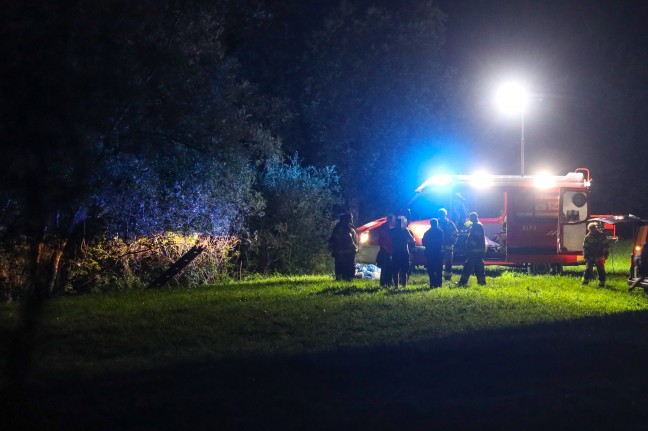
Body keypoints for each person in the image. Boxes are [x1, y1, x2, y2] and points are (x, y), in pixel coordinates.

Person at [457, 212, 486, 286]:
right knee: (479, 267)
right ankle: (481, 282)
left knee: (468, 266)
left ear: (474, 217)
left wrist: (469, 245)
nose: (470, 219)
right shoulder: (477, 225)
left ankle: (463, 282)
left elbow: (475, 238)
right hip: (478, 250)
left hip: (474, 250)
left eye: (471, 218)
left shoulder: (477, 226)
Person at [328, 213, 358, 281]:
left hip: (338, 251)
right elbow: (348, 238)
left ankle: (339, 278)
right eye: (350, 218)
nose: (351, 219)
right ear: (347, 219)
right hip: (348, 251)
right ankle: (348, 279)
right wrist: (354, 248)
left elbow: (333, 239)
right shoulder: (346, 227)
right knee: (349, 265)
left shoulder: (338, 226)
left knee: (339, 265)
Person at [389, 217, 415, 288]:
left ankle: (396, 286)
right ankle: (404, 286)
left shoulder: (392, 230)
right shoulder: (405, 230)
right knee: (404, 271)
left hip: (395, 252)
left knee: (395, 270)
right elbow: (412, 240)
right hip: (404, 252)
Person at [582, 222, 610, 287]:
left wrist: (606, 254)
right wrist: (586, 255)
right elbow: (585, 247)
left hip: (597, 256)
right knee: (591, 269)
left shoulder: (590, 236)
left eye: (592, 229)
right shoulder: (589, 237)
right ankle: (587, 281)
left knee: (599, 269)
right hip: (594, 256)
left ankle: (601, 283)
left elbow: (606, 245)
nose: (592, 230)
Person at [437, 208, 458, 281]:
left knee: (448, 263)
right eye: (441, 215)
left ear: (445, 215)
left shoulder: (450, 223)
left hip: (448, 246)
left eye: (443, 215)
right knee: (438, 263)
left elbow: (455, 234)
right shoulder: (436, 223)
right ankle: (438, 277)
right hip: (438, 247)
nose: (442, 216)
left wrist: (453, 242)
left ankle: (448, 278)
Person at [422, 218, 444, 288]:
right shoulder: (440, 232)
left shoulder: (427, 233)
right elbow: (442, 242)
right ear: (437, 224)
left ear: (431, 224)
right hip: (438, 252)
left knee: (431, 269)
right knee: (439, 269)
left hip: (430, 252)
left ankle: (432, 283)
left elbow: (423, 243)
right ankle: (439, 284)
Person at [376, 214, 395, 287]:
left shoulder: (390, 227)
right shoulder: (384, 228)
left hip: (390, 250)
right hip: (385, 250)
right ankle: (383, 282)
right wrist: (386, 249)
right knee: (385, 267)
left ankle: (389, 281)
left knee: (390, 267)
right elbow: (382, 240)